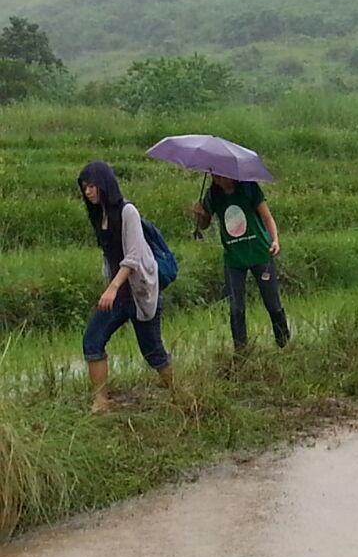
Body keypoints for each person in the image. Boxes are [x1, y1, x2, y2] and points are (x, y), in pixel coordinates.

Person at [78, 161, 173, 412]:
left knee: (153, 352)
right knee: (93, 339)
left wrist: (113, 286)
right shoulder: (100, 216)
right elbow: (108, 255)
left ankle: (178, 393)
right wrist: (109, 285)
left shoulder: (128, 212)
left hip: (139, 291)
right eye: (84, 188)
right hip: (118, 293)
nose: (87, 192)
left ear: (104, 184)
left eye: (91, 186)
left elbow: (133, 256)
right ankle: (101, 400)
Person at [195, 175, 290, 351]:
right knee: (236, 308)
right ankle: (241, 352)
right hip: (234, 258)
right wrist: (200, 215)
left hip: (260, 252)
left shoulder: (249, 188)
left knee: (272, 303)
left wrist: (275, 240)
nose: (218, 178)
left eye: (221, 174)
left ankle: (284, 344)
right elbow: (203, 225)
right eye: (215, 174)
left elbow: (267, 217)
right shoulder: (212, 195)